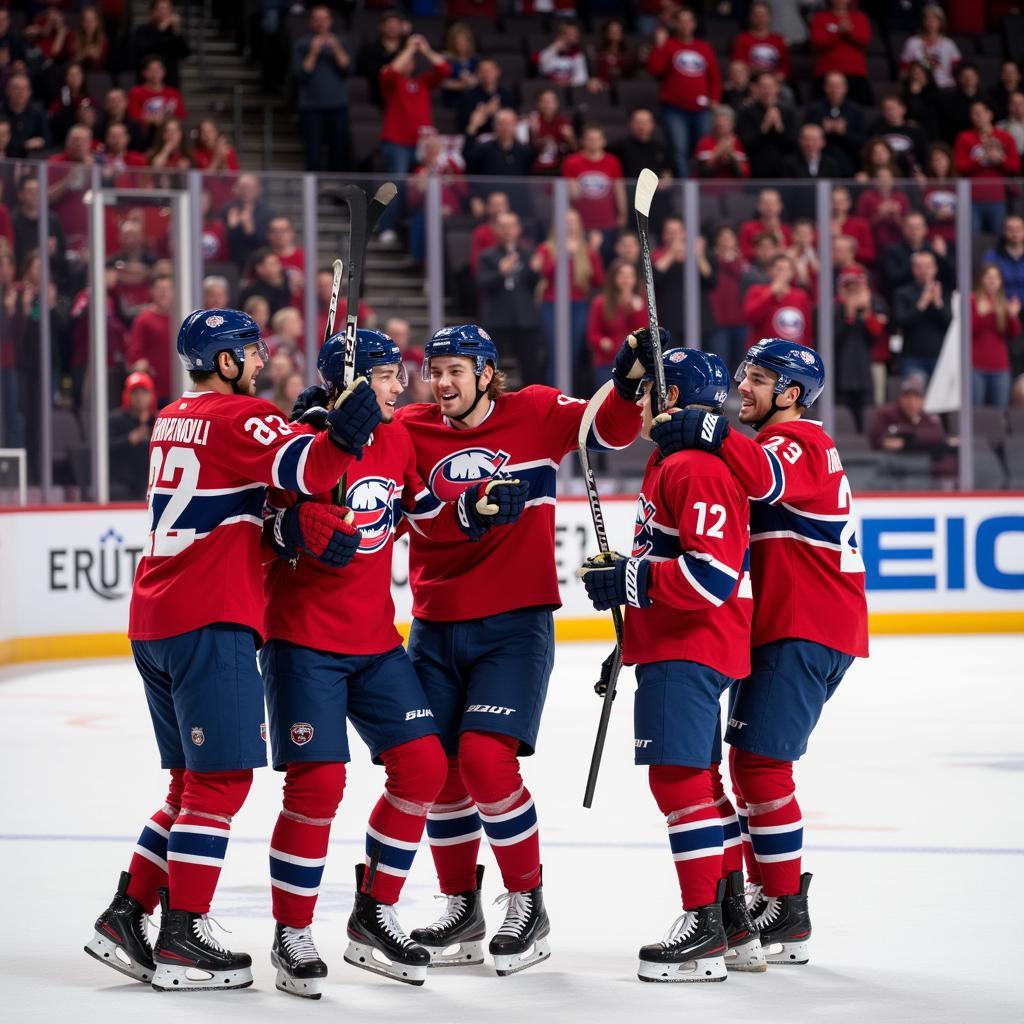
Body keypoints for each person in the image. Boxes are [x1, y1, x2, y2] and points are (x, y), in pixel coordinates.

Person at [82, 307, 381, 991]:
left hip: (154, 616)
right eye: (249, 351)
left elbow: (263, 474)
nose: (260, 359)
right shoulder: (240, 418)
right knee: (221, 783)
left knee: (190, 785)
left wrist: (307, 424)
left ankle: (126, 915)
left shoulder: (172, 414)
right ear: (224, 361)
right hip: (209, 617)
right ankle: (185, 934)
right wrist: (347, 427)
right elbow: (309, 472)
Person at [263, 330, 527, 994]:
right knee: (318, 788)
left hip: (376, 644)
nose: (401, 386)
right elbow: (253, 529)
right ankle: (291, 931)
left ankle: (373, 912)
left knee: (426, 766)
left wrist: (468, 510)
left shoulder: (399, 438)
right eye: (385, 376)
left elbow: (420, 514)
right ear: (347, 384)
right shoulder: (299, 444)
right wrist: (289, 531)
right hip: (305, 645)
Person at [395, 324, 644, 975]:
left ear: (486, 372)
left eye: (456, 369)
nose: (442, 382)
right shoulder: (411, 430)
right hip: (434, 625)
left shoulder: (533, 411)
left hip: (514, 627)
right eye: (434, 370)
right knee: (441, 771)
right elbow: (382, 500)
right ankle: (460, 906)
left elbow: (609, 431)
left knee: (484, 760)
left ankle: (527, 902)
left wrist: (626, 382)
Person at [648, 339, 869, 968]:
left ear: (792, 395)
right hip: (791, 626)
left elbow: (768, 478)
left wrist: (712, 429)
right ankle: (770, 901)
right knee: (751, 766)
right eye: (742, 374)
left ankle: (784, 908)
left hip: (803, 625)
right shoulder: (775, 442)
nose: (743, 386)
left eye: (759, 379)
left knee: (761, 768)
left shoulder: (800, 441)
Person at [578, 346, 759, 982]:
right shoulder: (672, 462)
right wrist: (629, 636)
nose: (643, 403)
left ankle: (702, 925)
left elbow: (709, 577)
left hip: (693, 643)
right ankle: (733, 922)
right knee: (702, 784)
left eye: (653, 392)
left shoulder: (692, 467)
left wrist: (629, 580)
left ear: (675, 398)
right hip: (679, 642)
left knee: (677, 784)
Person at [377, 33, 450, 244]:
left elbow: (444, 69)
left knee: (425, 185)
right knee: (397, 183)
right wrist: (409, 47)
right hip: (397, 142)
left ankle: (412, 234)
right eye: (405, 59)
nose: (408, 62)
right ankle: (386, 227)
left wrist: (424, 49)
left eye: (412, 60)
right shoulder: (393, 83)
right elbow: (389, 72)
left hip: (421, 145)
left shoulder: (422, 83)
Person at [647, 6, 721, 177]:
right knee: (680, 149)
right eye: (681, 21)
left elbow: (715, 79)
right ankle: (686, 191)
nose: (685, 25)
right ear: (675, 24)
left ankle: (700, 188)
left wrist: (715, 99)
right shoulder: (669, 46)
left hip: (701, 109)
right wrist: (659, 45)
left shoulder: (704, 48)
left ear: (694, 24)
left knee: (701, 151)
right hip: (675, 108)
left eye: (688, 21)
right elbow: (654, 69)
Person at [293, 4, 350, 173]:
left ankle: (339, 193)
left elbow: (348, 68)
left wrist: (336, 47)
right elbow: (301, 74)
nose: (321, 23)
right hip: (311, 106)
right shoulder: (301, 44)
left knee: (338, 152)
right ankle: (311, 195)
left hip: (338, 105)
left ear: (330, 21)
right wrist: (314, 52)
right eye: (317, 19)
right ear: (311, 22)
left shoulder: (342, 42)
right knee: (313, 153)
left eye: (324, 19)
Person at [953, 100, 1020, 234]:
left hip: (997, 198)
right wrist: (980, 159)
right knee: (972, 237)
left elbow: (1016, 166)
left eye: (980, 113)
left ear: (990, 114)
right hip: (972, 198)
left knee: (999, 236)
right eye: (973, 113)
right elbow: (960, 166)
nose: (976, 116)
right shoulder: (964, 137)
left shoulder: (1004, 137)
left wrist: (1000, 159)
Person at [892, 250, 952, 382]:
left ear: (935, 269)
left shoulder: (945, 292)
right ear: (913, 269)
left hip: (940, 356)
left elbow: (950, 323)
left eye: (928, 266)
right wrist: (921, 304)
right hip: (912, 357)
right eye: (919, 267)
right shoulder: (903, 293)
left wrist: (937, 303)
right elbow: (900, 322)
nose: (924, 271)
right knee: (913, 399)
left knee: (940, 400)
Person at [585, 258, 645, 384]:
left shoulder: (640, 302)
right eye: (622, 276)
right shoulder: (600, 303)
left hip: (633, 364)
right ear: (614, 278)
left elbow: (645, 334)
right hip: (607, 362)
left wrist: (637, 310)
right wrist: (602, 341)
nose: (626, 280)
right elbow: (592, 334)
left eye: (630, 276)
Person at [971, 263, 1020, 408]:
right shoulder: (972, 300)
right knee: (976, 411)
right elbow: (967, 331)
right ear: (981, 280)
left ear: (1000, 281)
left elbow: (1013, 333)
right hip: (975, 366)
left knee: (1000, 413)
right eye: (988, 277)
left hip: (1000, 366)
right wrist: (980, 315)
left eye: (996, 277)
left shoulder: (1003, 302)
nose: (992, 281)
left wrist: (1012, 316)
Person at [742, 254, 813, 349]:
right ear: (770, 271)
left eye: (786, 269)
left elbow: (806, 329)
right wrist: (770, 294)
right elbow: (750, 317)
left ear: (792, 273)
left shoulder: (800, 296)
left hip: (792, 354)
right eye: (779, 269)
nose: (782, 273)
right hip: (765, 353)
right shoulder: (757, 291)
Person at [802, 71, 865, 177]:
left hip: (848, 166)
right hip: (819, 167)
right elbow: (803, 137)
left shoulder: (856, 110)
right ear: (825, 88)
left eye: (838, 86)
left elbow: (863, 141)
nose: (834, 89)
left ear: (845, 88)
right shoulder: (814, 109)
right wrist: (822, 131)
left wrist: (844, 133)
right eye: (831, 86)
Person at [809, 0, 872, 105]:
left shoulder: (859, 17)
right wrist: (838, 32)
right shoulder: (820, 18)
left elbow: (865, 40)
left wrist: (849, 32)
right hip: (826, 73)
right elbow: (817, 42)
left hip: (855, 74)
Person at [736, 71, 797, 179]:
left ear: (777, 88)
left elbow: (792, 145)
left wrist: (779, 127)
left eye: (770, 87)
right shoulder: (746, 112)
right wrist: (764, 127)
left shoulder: (788, 111)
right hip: (756, 169)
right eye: (763, 87)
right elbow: (746, 143)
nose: (767, 91)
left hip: (783, 171)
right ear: (756, 89)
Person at [108, 370, 157, 500]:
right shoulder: (115, 419)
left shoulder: (158, 420)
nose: (140, 398)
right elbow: (104, 448)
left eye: (144, 393)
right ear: (127, 395)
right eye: (135, 393)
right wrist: (129, 439)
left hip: (147, 480)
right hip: (120, 480)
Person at [899, 4, 962, 90]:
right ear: (922, 21)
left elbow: (958, 70)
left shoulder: (949, 44)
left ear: (941, 22)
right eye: (927, 18)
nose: (931, 22)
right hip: (921, 88)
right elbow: (904, 71)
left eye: (935, 19)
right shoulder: (912, 43)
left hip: (946, 88)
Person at [132, 0, 190, 87]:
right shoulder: (143, 30)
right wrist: (161, 29)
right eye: (161, 9)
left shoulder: (173, 32)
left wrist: (177, 31)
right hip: (148, 80)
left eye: (167, 9)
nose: (164, 12)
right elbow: (144, 49)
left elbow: (184, 53)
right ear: (152, 11)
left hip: (170, 79)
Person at [733, 1, 790, 82]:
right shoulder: (742, 39)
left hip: (774, 81)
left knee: (786, 93)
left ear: (769, 17)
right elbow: (740, 64)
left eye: (763, 15)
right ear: (750, 17)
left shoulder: (778, 40)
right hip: (751, 80)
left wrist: (778, 76)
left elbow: (785, 66)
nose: (760, 18)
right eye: (756, 15)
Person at [693, 105, 749, 179]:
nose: (721, 125)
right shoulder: (705, 142)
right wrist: (717, 154)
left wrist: (732, 156)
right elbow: (702, 173)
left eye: (725, 123)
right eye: (719, 124)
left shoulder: (738, 142)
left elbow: (744, 174)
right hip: (709, 189)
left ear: (732, 125)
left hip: (733, 189)